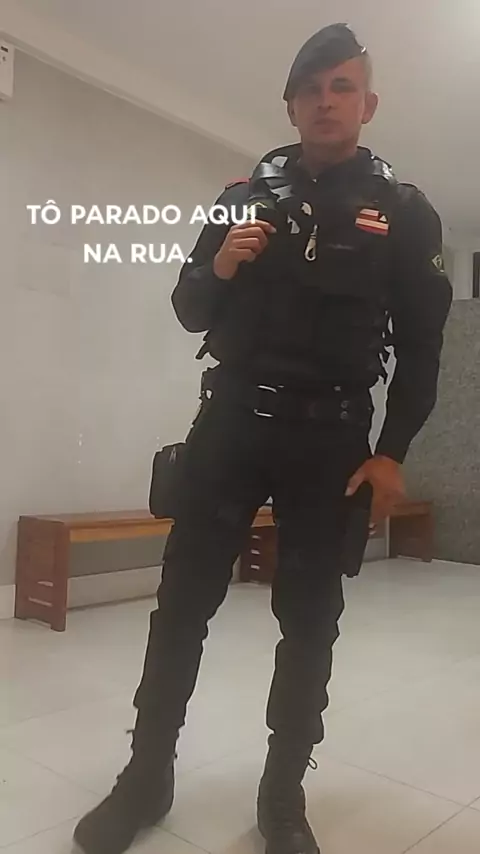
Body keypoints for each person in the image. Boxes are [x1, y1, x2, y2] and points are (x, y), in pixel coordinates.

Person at [74, 23, 452, 854]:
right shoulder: (242, 196)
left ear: (368, 103)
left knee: (310, 621)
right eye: (310, 88)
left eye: (342, 86)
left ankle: (283, 795)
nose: (325, 101)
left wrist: (392, 452)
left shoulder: (405, 211)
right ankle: (146, 776)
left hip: (333, 442)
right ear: (290, 105)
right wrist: (221, 266)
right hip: (232, 423)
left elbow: (424, 347)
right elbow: (190, 310)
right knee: (181, 607)